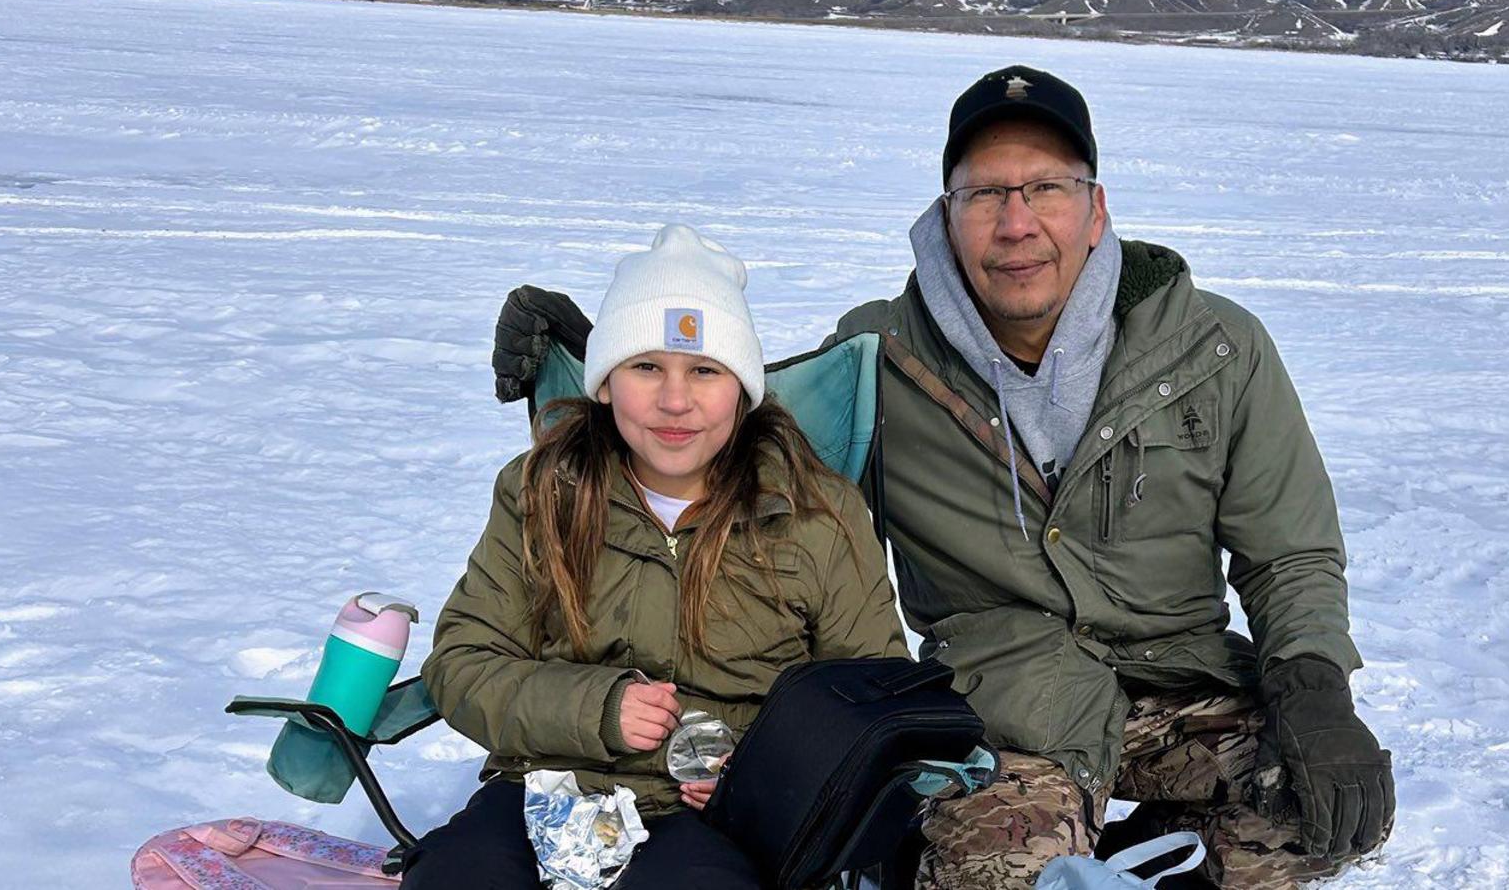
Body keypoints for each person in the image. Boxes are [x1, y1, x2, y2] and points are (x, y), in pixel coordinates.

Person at [493, 67, 1394, 889]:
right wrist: (594, 364)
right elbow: (722, 426)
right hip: (1004, 706)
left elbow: (1291, 554)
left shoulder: (1214, 347)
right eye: (985, 194)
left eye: (1046, 187)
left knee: (1333, 812)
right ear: (946, 212)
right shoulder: (878, 356)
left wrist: (1314, 691)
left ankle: (1148, 867)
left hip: (1186, 681)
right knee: (993, 874)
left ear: (1096, 206)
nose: (1016, 222)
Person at [407, 225, 908, 890]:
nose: (675, 401)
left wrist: (764, 772)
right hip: (549, 787)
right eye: (646, 366)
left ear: (742, 389)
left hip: (717, 815)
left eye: (705, 369)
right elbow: (462, 665)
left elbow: (874, 696)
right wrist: (597, 709)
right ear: (606, 383)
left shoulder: (816, 513)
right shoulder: (541, 493)